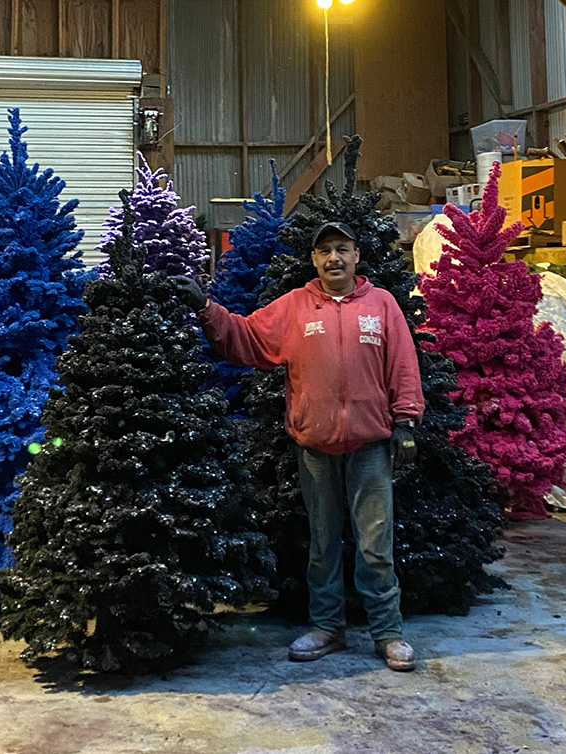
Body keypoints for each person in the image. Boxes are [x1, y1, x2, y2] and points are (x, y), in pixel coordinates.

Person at [170, 221, 424, 672]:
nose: (334, 258)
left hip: (371, 446)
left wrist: (405, 422)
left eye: (342, 249)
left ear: (356, 255)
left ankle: (388, 633)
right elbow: (246, 338)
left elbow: (403, 364)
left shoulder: (382, 305)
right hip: (315, 447)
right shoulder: (295, 307)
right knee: (323, 543)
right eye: (325, 251)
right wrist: (206, 308)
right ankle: (328, 628)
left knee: (375, 546)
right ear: (314, 260)